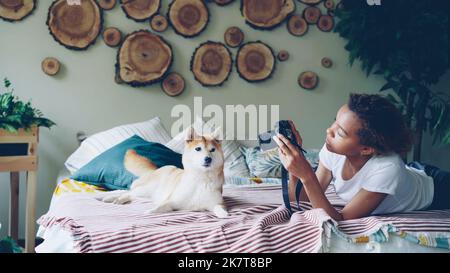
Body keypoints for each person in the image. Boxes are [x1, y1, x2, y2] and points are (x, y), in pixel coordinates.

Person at [273, 93, 450, 221]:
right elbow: (304, 199)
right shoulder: (333, 150)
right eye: (335, 121)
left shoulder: (388, 169)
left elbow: (339, 219)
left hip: (438, 188)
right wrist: (294, 167)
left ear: (366, 148)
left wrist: (307, 175)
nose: (329, 131)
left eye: (340, 133)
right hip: (413, 172)